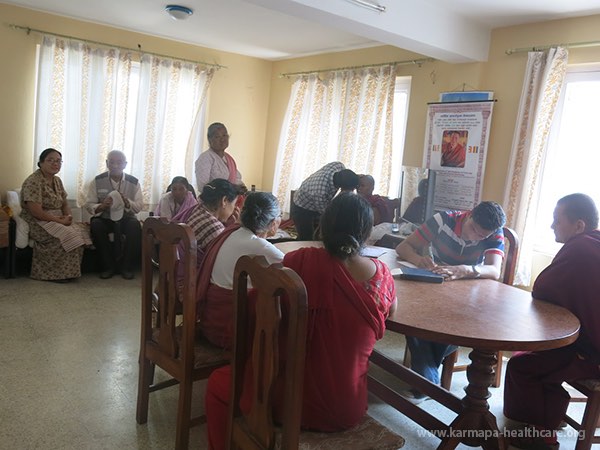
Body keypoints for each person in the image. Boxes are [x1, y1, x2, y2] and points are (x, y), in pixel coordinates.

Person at [204, 192, 397, 449]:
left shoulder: (298, 262)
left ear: (324, 226)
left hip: (277, 398)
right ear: (366, 232)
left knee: (218, 385)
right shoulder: (382, 277)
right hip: (343, 409)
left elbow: (257, 309)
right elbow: (390, 312)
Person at [503, 193, 600, 450]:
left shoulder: (581, 248)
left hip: (594, 356)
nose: (552, 226)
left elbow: (543, 288)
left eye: (557, 221)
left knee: (521, 364)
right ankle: (550, 420)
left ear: (579, 226)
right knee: (539, 358)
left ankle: (536, 438)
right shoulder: (593, 244)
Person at [395, 201, 506, 398]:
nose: (475, 237)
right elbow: (404, 247)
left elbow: (494, 270)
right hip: (435, 282)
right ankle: (429, 380)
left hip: (469, 287)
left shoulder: (495, 232)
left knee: (458, 324)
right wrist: (419, 261)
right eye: (474, 230)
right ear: (469, 215)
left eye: (483, 236)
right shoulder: (444, 220)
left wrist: (467, 270)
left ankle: (426, 381)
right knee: (412, 315)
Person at [196, 191, 284, 349]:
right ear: (274, 223)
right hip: (232, 332)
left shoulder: (232, 233)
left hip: (210, 321)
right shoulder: (261, 247)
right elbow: (295, 274)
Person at [20, 148, 90, 282]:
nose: (55, 164)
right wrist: (60, 222)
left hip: (57, 219)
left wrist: (68, 217)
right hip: (38, 221)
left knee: (80, 232)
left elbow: (64, 204)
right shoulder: (33, 181)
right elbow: (36, 212)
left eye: (58, 161)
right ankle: (52, 274)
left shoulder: (57, 180)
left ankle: (70, 272)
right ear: (40, 163)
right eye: (50, 160)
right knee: (66, 235)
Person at [85, 150, 143, 280]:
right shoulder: (97, 180)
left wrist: (128, 203)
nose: (115, 165)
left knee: (135, 226)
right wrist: (101, 206)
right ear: (107, 163)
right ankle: (108, 266)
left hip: (126, 217)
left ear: (125, 164)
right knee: (96, 225)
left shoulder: (134, 182)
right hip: (105, 217)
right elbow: (89, 204)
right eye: (112, 162)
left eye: (119, 162)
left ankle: (126, 267)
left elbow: (139, 207)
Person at [290, 161, 359, 240]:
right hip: (302, 208)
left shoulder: (338, 166)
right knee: (306, 237)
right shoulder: (320, 192)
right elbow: (326, 213)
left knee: (318, 235)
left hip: (314, 201)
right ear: (342, 188)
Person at [194, 122, 243, 193]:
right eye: (217, 137)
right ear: (210, 140)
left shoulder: (229, 159)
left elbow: (237, 180)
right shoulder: (206, 158)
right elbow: (203, 187)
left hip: (229, 201)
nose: (222, 139)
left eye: (224, 135)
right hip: (213, 202)